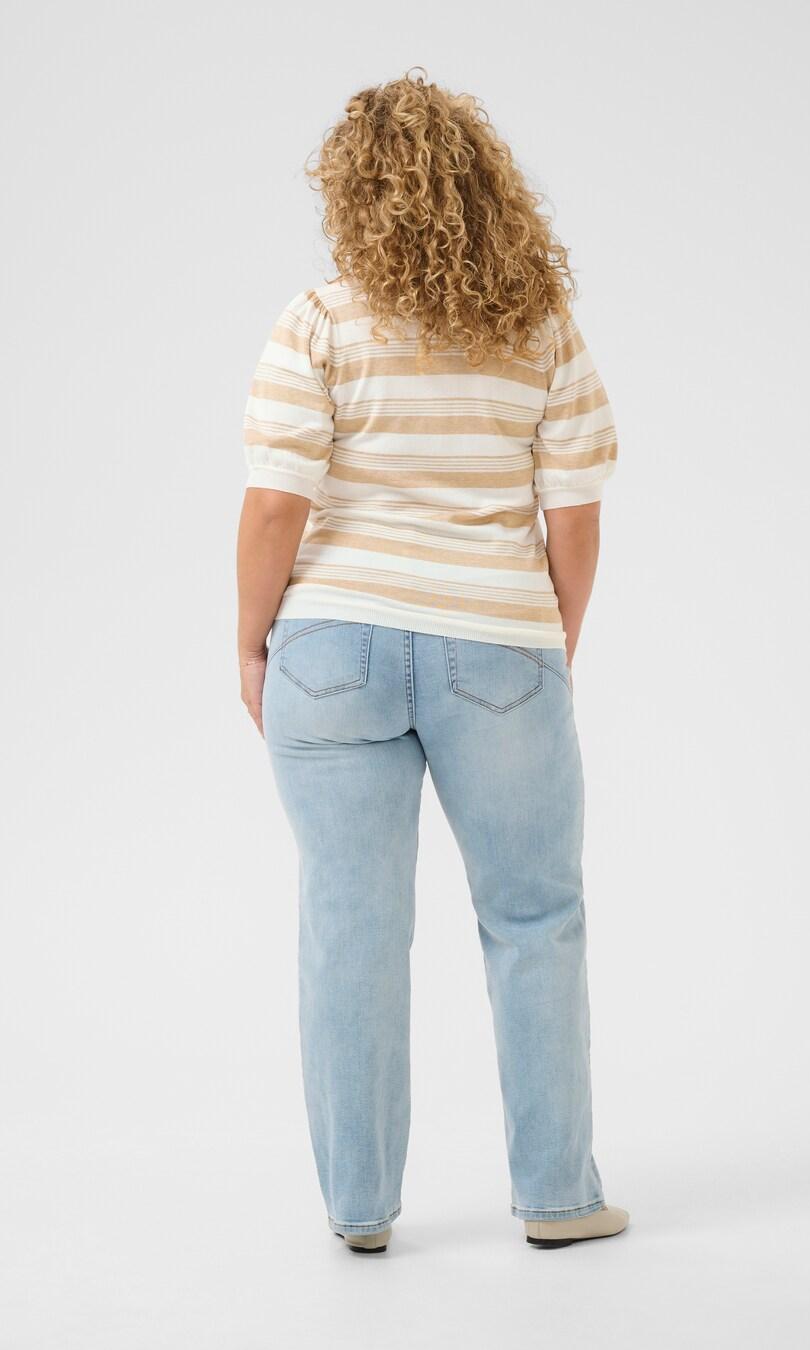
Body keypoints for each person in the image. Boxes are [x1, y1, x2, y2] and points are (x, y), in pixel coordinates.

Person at [236, 70, 628, 1254]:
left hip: (331, 649)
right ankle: (558, 1199)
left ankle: (359, 1211)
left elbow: (275, 506)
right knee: (535, 916)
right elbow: (575, 518)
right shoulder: (539, 327)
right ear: (482, 185)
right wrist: (547, 640)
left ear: (352, 193)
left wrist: (251, 640)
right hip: (498, 646)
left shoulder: (318, 321)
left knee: (349, 925)